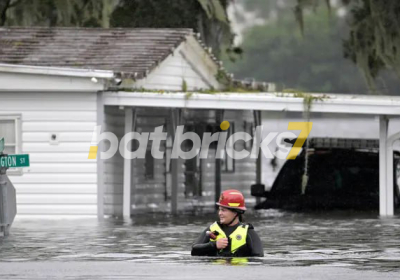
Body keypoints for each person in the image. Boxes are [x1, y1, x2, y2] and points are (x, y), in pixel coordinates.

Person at [191, 189, 264, 257]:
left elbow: (258, 257)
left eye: (223, 210)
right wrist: (214, 245)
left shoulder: (248, 232)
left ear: (235, 212)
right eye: (219, 210)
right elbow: (194, 251)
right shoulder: (211, 230)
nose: (220, 213)